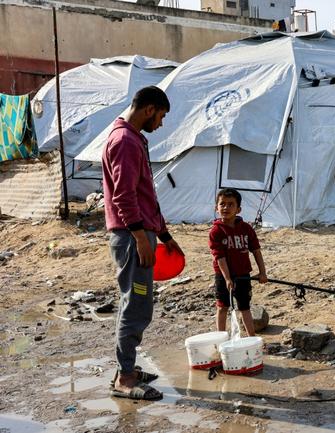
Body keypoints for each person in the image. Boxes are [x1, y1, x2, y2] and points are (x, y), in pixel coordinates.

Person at [103, 86, 184, 400]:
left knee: (139, 305)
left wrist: (164, 236)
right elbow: (124, 197)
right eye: (161, 116)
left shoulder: (133, 138)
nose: (161, 124)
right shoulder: (124, 141)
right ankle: (125, 378)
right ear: (149, 109)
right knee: (135, 306)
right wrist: (140, 238)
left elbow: (144, 196)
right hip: (131, 237)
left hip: (141, 234)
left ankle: (128, 368)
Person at [209, 188, 268, 337]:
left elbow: (256, 251)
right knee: (222, 307)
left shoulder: (246, 228)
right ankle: (220, 337)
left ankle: (251, 337)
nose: (226, 208)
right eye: (222, 204)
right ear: (216, 208)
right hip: (223, 276)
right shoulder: (216, 232)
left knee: (244, 306)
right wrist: (228, 278)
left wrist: (262, 272)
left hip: (243, 274)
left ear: (238, 209)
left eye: (230, 204)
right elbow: (219, 257)